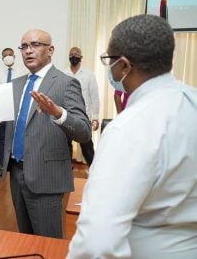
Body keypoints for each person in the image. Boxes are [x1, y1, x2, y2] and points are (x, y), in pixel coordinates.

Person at [67, 14, 197, 258]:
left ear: (124, 66)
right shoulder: (192, 101)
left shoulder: (129, 128)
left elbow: (96, 245)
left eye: (109, 60)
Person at [1, 29, 91, 238]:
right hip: (16, 173)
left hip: (46, 176)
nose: (28, 51)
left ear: (50, 50)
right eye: (24, 47)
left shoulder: (66, 82)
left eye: (35, 45)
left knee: (48, 243)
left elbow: (84, 132)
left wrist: (58, 113)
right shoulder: (15, 84)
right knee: (26, 238)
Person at [64, 47, 100, 166]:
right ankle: (67, 171)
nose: (74, 56)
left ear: (81, 57)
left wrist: (95, 117)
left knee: (87, 148)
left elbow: (94, 97)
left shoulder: (89, 75)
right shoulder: (64, 74)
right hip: (67, 115)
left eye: (77, 54)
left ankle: (94, 170)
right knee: (65, 146)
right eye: (71, 54)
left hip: (84, 117)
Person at [0, 48, 24, 176]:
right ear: (2, 59)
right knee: (2, 139)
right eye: (5, 56)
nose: (7, 57)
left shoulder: (23, 72)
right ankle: (2, 165)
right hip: (3, 111)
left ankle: (18, 164)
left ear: (14, 56)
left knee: (18, 137)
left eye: (10, 55)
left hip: (18, 110)